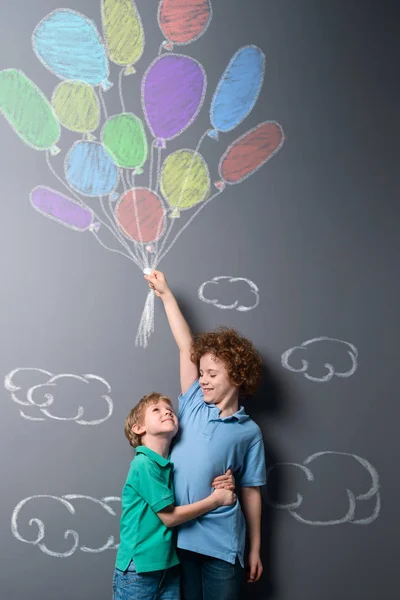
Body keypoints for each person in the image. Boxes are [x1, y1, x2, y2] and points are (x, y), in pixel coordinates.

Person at [144, 270, 267, 600]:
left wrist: (254, 548)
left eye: (212, 374)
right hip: (181, 538)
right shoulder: (193, 403)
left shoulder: (249, 432)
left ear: (237, 377)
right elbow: (186, 346)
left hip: (222, 542)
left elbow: (252, 491)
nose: (204, 380)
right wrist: (166, 295)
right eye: (202, 373)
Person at [113, 391, 236, 600]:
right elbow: (169, 518)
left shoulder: (171, 464)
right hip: (139, 569)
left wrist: (229, 481)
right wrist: (216, 499)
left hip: (168, 567)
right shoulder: (143, 464)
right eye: (156, 410)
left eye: (170, 410)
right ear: (138, 428)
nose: (167, 412)